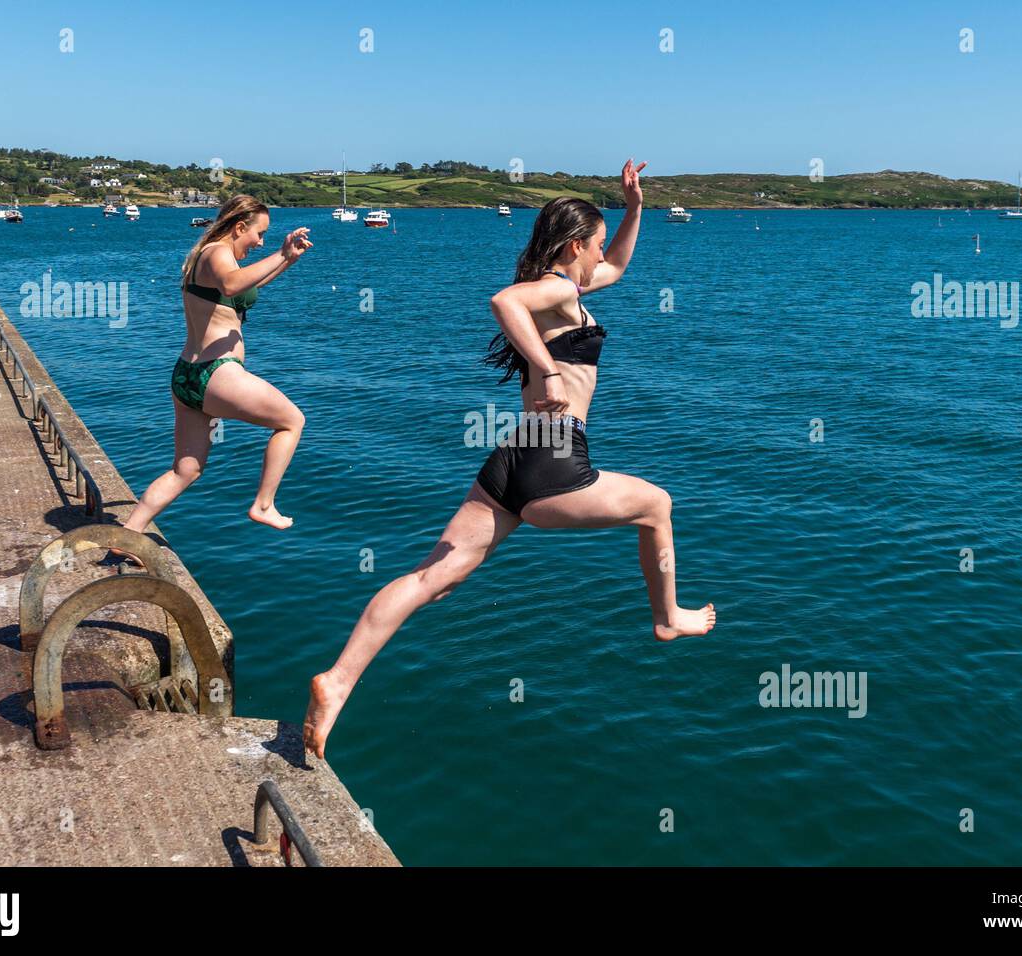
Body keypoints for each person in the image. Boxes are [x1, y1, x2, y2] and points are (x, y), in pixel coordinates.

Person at [303, 160, 715, 759]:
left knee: (431, 579)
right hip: (554, 459)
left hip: (514, 457)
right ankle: (667, 617)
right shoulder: (554, 289)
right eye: (596, 244)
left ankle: (336, 681)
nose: (604, 255)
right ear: (576, 246)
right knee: (658, 504)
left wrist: (633, 208)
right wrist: (548, 369)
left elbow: (620, 267)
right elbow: (505, 301)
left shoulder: (572, 289)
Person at [115, 194, 312, 556]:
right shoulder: (218, 254)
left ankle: (126, 538)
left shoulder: (205, 257)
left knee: (185, 471)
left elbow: (242, 288)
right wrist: (281, 255)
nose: (261, 242)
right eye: (259, 234)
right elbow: (234, 285)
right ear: (239, 227)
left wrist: (288, 261)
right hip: (216, 373)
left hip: (187, 376)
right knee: (291, 421)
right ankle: (263, 504)